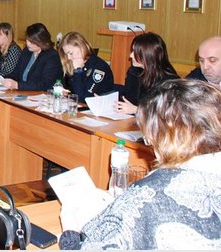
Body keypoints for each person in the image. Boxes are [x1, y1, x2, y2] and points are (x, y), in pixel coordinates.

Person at [59, 79, 221, 250]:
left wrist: (71, 230)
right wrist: (122, 206)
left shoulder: (152, 193)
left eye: (149, 139)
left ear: (165, 137)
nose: (150, 145)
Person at [115, 32, 179, 115]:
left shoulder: (169, 82)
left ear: (148, 56)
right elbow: (129, 100)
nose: (131, 55)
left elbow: (167, 114)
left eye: (135, 52)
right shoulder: (134, 72)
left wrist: (137, 110)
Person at [2, 23, 62, 91]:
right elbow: (16, 73)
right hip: (24, 92)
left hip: (42, 94)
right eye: (27, 40)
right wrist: (0, 80)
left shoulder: (52, 56)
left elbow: (45, 84)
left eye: (31, 42)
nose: (28, 44)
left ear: (41, 41)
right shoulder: (26, 51)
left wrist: (17, 85)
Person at [58, 31, 114, 100]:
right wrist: (65, 92)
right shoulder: (73, 64)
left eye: (71, 53)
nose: (69, 58)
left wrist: (78, 71)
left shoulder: (99, 67)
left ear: (82, 47)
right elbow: (70, 89)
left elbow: (84, 98)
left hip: (96, 105)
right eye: (67, 54)